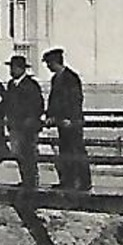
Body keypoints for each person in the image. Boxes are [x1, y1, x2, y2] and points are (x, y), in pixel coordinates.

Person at [42, 48, 90, 191]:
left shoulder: (71, 78)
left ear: (55, 62)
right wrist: (51, 116)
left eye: (49, 63)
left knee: (77, 151)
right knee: (65, 152)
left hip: (72, 123)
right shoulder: (56, 78)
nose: (48, 66)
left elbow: (75, 100)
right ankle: (67, 181)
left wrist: (71, 119)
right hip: (62, 123)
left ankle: (83, 182)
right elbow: (53, 100)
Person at [3, 55, 45, 192]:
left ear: (21, 68)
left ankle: (32, 181)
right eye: (11, 67)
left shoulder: (31, 85)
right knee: (19, 154)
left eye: (13, 68)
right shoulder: (11, 85)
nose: (11, 70)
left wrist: (30, 119)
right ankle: (25, 179)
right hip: (15, 126)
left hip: (28, 127)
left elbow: (38, 105)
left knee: (29, 154)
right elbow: (7, 104)